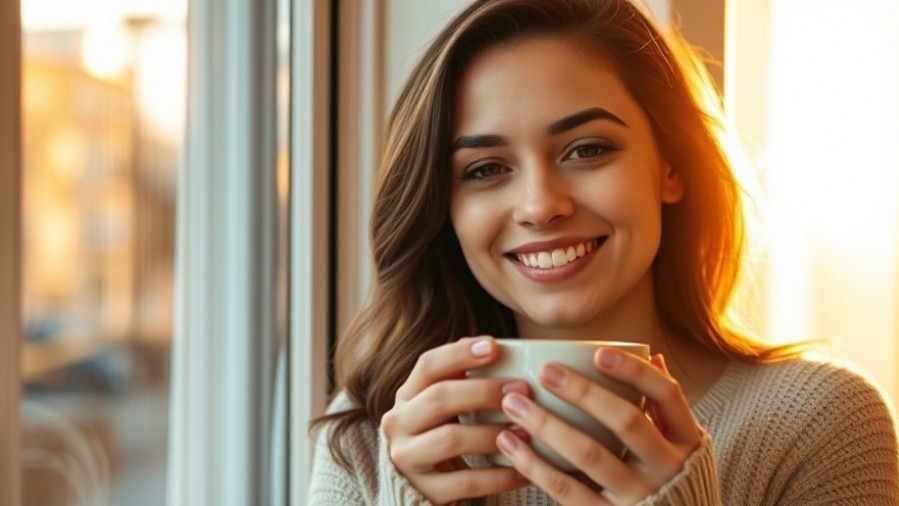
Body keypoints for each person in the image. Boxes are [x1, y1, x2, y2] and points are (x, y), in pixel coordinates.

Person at [308, 0, 899, 504]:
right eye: (486, 169)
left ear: (670, 167)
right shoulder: (372, 435)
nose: (540, 206)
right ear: (443, 209)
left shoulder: (819, 423)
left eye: (587, 150)